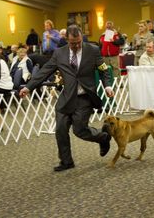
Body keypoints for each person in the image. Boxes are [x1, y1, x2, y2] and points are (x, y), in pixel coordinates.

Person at [19, 25, 114, 172]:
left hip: (84, 97)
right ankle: (66, 161)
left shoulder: (93, 50)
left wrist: (107, 86)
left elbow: (104, 70)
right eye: (72, 43)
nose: (76, 45)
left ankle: (103, 137)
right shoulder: (59, 53)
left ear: (81, 37)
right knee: (61, 129)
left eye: (78, 42)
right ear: (66, 40)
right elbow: (44, 71)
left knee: (79, 130)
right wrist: (28, 87)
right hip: (66, 97)